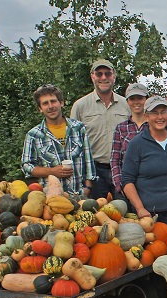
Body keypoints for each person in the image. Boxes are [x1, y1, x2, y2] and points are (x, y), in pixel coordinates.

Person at [121, 96, 167, 233]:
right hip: (148, 214)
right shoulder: (137, 144)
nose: (160, 117)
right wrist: (140, 208)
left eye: (163, 112)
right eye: (154, 113)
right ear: (146, 116)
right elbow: (127, 180)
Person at [70, 59, 130, 199]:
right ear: (92, 76)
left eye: (108, 74)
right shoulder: (80, 106)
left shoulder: (126, 105)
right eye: (99, 74)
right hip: (94, 171)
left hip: (122, 169)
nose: (104, 77)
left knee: (126, 212)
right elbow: (74, 144)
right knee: (94, 213)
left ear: (114, 76)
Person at [22, 84, 95, 197]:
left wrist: (87, 188)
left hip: (79, 196)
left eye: (53, 101)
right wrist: (51, 171)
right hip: (50, 198)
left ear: (61, 103)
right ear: (40, 109)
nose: (50, 106)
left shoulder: (79, 128)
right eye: (45, 103)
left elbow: (88, 161)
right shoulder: (34, 135)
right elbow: (26, 166)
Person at [110, 83, 148, 202]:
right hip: (126, 188)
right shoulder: (121, 128)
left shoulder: (154, 126)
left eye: (140, 98)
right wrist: (119, 184)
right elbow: (115, 159)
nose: (136, 102)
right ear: (127, 101)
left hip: (149, 188)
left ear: (146, 99)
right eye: (132, 99)